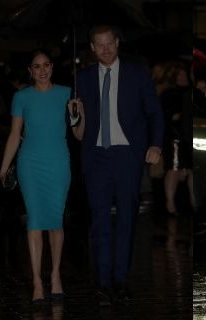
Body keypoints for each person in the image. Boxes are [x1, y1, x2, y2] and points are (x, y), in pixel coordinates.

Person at [67, 25, 164, 306]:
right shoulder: (82, 78)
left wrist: (155, 145)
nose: (105, 48)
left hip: (127, 156)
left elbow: (154, 113)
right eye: (99, 44)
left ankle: (121, 280)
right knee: (98, 223)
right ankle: (102, 283)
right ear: (92, 48)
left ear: (117, 43)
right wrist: (74, 114)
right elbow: (77, 130)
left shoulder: (136, 74)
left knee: (126, 220)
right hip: (95, 156)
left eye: (109, 43)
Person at [0, 49, 71, 304]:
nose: (42, 70)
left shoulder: (66, 94)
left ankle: (55, 276)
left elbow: (80, 132)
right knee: (35, 221)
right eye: (36, 66)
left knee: (56, 220)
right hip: (30, 163)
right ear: (30, 70)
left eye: (46, 65)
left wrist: (77, 112)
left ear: (52, 67)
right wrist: (4, 166)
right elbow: (14, 133)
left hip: (58, 163)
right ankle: (37, 282)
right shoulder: (21, 97)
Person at [160, 62, 195, 215]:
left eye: (183, 74)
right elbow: (167, 116)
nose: (181, 77)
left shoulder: (190, 92)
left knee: (189, 170)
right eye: (178, 75)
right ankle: (170, 203)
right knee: (174, 169)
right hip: (175, 137)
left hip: (186, 136)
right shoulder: (170, 93)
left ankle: (191, 201)